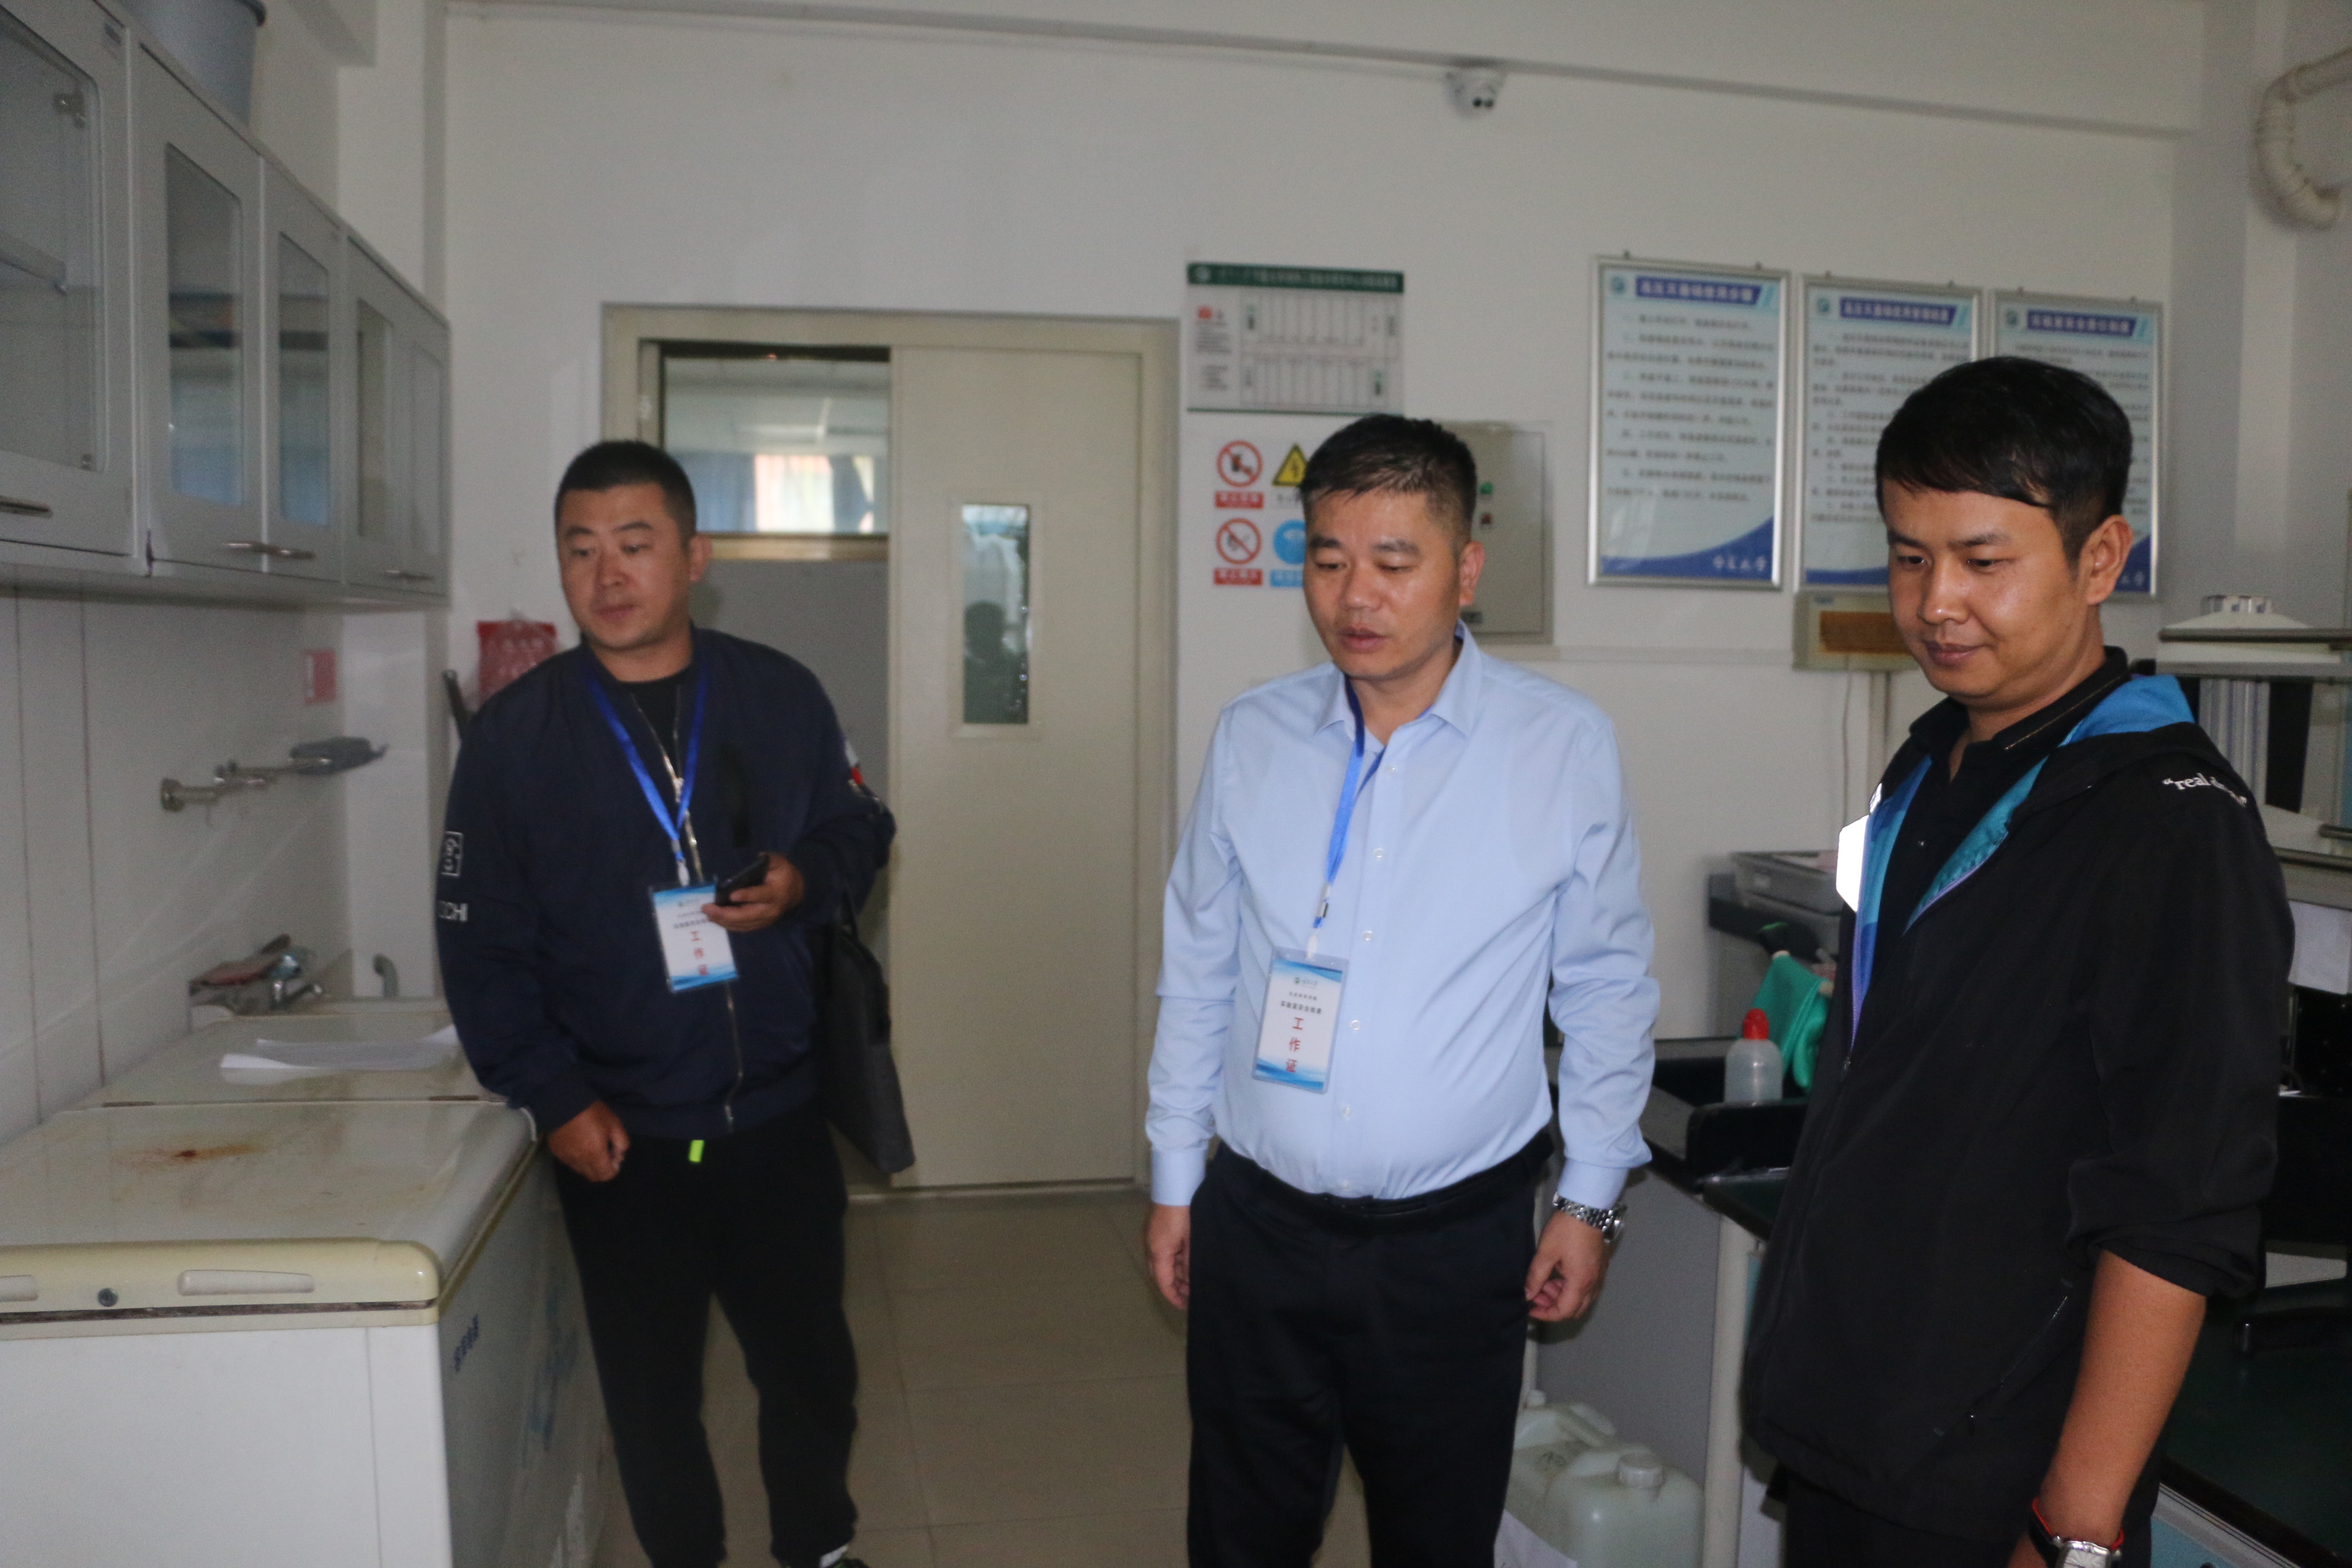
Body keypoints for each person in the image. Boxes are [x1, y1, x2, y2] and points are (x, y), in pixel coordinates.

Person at [1742, 358, 2289, 1568]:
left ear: (2101, 560)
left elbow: (2177, 1210)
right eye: (1909, 556)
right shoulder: (1934, 757)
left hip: (1998, 1472)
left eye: (1984, 562)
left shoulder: (2169, 823)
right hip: (1861, 1420)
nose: (1937, 602)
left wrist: (2074, 1528)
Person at [1144, 415, 1660, 1567]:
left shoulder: (1559, 747)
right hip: (1259, 1225)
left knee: (1436, 1537)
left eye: (1392, 561)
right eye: (1328, 560)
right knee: (1240, 1534)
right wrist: (1176, 1178)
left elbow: (1607, 987)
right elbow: (1200, 966)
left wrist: (1589, 1200)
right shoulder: (1253, 736)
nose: (1354, 597)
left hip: (1452, 1243)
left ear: (1465, 571)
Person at [437, 440, 894, 1568]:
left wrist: (804, 880)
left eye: (635, 545)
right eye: (581, 550)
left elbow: (859, 826)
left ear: (694, 557)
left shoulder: (779, 694)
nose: (608, 574)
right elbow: (479, 943)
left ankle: (819, 1548)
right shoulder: (514, 739)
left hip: (777, 1118)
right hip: (622, 1138)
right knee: (650, 1400)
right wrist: (551, 1094)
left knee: (811, 1373)